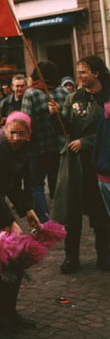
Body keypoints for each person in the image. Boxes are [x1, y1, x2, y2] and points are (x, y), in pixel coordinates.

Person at [49, 55, 110, 273]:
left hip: (100, 162)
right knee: (71, 212)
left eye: (84, 72)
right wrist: (56, 117)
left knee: (100, 213)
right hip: (74, 164)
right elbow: (66, 128)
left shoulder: (107, 97)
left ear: (96, 73)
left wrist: (85, 142)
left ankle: (104, 255)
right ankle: (71, 257)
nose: (80, 77)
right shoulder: (73, 98)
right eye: (79, 72)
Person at [0, 112, 41, 333]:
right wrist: (10, 222)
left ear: (28, 134)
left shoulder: (21, 149)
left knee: (14, 260)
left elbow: (14, 185)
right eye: (12, 132)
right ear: (4, 130)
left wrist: (28, 210)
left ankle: (7, 312)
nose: (16, 137)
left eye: (21, 133)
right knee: (9, 259)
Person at [21, 61, 69, 223]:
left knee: (37, 185)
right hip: (59, 146)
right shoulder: (64, 91)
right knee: (57, 184)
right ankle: (61, 215)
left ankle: (45, 219)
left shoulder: (31, 93)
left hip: (38, 146)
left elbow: (24, 121)